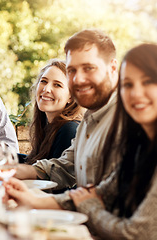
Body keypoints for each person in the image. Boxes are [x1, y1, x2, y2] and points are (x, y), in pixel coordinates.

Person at [1, 29, 120, 209]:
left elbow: (105, 198)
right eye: (72, 70)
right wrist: (15, 171)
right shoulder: (90, 118)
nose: (78, 79)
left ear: (111, 68)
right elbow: (65, 166)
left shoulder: (126, 120)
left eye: (88, 68)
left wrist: (36, 201)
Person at [68, 43, 157, 239]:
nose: (136, 93)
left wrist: (89, 207)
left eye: (148, 81)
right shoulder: (139, 148)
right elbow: (98, 193)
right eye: (128, 84)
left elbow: (133, 234)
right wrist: (29, 198)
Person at [24, 59, 84, 164]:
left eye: (57, 85)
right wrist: (3, 155)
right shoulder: (48, 125)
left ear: (71, 97)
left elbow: (50, 175)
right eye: (44, 81)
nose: (46, 89)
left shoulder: (69, 130)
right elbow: (35, 163)